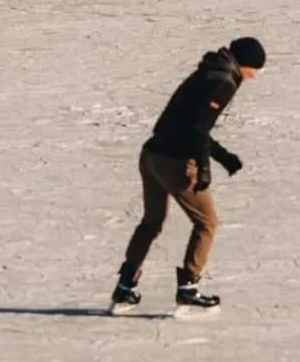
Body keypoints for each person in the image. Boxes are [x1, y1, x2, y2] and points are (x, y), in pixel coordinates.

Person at [110, 37, 266, 315]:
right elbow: (197, 129)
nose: (255, 76)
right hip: (175, 162)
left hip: (152, 154)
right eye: (255, 69)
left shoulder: (210, 71)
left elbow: (192, 123)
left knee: (152, 221)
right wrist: (205, 167)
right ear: (245, 64)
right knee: (207, 222)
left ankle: (124, 287)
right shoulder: (224, 82)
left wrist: (222, 156)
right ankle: (189, 288)